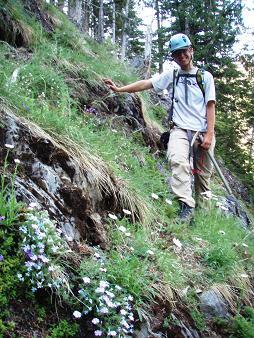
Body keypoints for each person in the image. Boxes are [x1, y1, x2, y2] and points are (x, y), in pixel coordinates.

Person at [104, 33, 216, 222]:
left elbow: (210, 105)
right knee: (177, 160)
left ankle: (204, 219)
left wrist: (210, 134)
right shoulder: (172, 75)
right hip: (179, 130)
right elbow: (147, 84)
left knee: (203, 178)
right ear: (173, 57)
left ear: (191, 51)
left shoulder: (205, 77)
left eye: (183, 52)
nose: (181, 56)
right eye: (176, 54)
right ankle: (186, 206)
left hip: (202, 132)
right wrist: (119, 89)